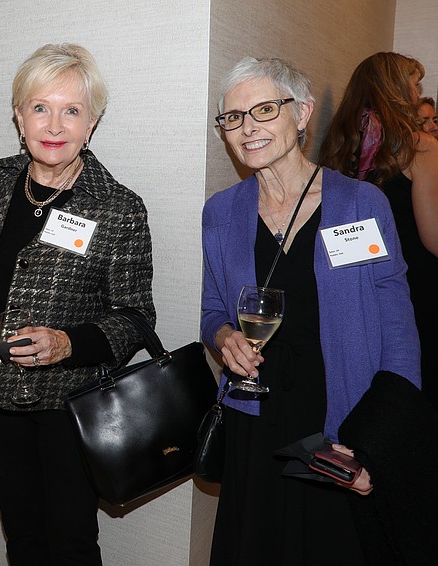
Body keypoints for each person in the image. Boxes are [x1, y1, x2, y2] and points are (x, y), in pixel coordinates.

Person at [202, 56, 420, 565]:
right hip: (254, 416)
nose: (247, 128)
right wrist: (224, 336)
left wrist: (375, 444)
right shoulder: (221, 210)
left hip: (337, 419)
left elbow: (400, 334)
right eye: (233, 117)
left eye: (264, 110)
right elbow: (213, 308)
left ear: (301, 114)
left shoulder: (362, 204)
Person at [0, 43, 155, 566]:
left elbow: (137, 317)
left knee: (71, 543)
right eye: (40, 107)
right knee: (22, 538)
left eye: (72, 110)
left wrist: (67, 343)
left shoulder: (117, 207)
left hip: (70, 405)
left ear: (92, 122)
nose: (55, 124)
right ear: (18, 115)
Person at [319, 52, 438, 409]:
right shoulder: (421, 146)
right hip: (415, 287)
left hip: (353, 283)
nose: (418, 94)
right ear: (396, 89)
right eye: (415, 84)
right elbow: (433, 238)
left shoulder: (338, 145)